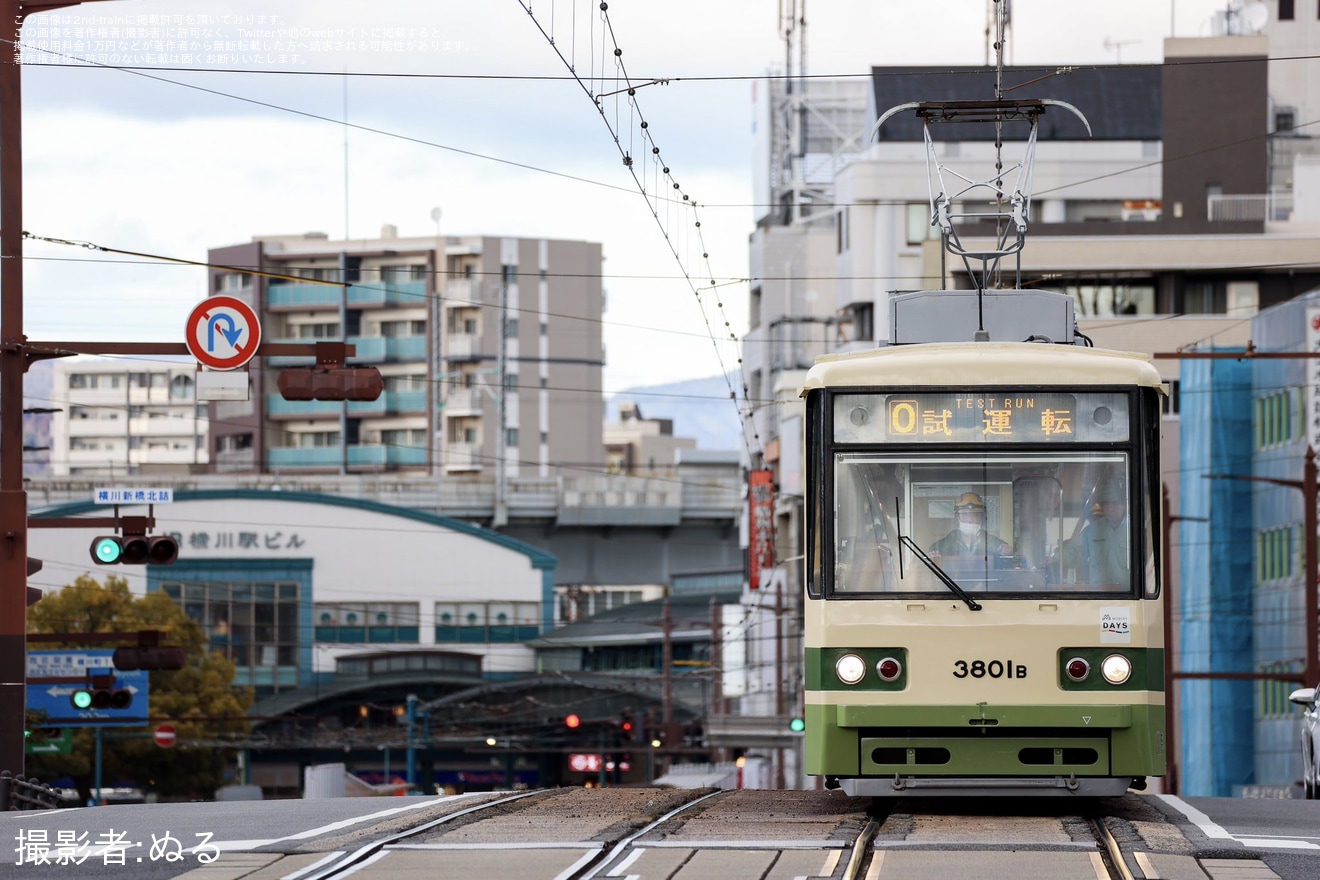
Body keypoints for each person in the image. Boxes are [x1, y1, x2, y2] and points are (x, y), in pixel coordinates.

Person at [1063, 483, 1129, 585]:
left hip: (1130, 596)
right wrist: (1055, 558)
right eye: (1106, 504)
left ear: (1124, 505)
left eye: (1114, 503)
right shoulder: (1091, 531)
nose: (1110, 509)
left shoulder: (1136, 529)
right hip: (1099, 596)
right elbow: (1075, 553)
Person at [930, 492, 1011, 558]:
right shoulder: (940, 548)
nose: (970, 520)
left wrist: (1007, 553)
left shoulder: (997, 545)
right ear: (957, 517)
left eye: (975, 515)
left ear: (982, 518)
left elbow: (1004, 571)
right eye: (965, 515)